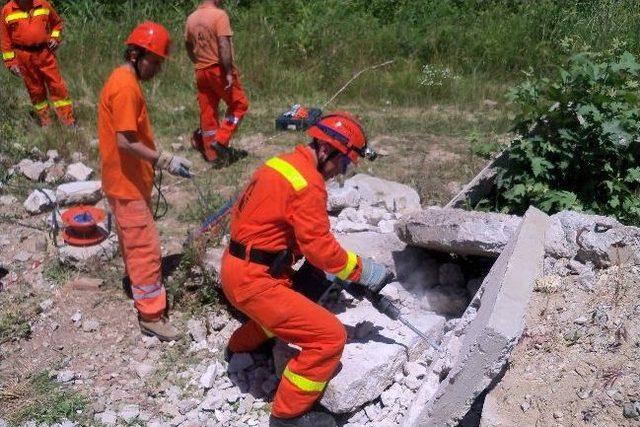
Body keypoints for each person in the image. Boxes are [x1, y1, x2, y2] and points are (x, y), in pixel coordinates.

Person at [220, 112, 393, 427]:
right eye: (343, 163)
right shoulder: (309, 184)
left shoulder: (281, 164)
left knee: (287, 311)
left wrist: (334, 272)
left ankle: (238, 348)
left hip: (237, 268)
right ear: (326, 150)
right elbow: (322, 251)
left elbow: (278, 229)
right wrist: (364, 272)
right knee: (328, 338)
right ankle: (287, 416)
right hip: (256, 281)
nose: (341, 171)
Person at [98, 21, 192, 341]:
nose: (158, 68)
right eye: (156, 61)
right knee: (145, 248)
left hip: (125, 179)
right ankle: (151, 314)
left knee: (132, 240)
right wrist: (164, 159)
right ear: (137, 54)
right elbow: (125, 142)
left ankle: (135, 284)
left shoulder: (124, 79)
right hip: (126, 182)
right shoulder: (125, 86)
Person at [185, 0, 249, 164]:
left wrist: (197, 60)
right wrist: (228, 71)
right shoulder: (219, 16)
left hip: (201, 70)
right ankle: (221, 141)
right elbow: (223, 44)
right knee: (239, 104)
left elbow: (188, 45)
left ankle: (212, 155)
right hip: (218, 69)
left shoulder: (191, 18)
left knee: (208, 111)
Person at [0, 0, 75, 126]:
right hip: (24, 58)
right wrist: (10, 62)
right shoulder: (7, 10)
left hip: (45, 54)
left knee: (57, 86)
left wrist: (55, 38)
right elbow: (5, 40)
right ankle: (46, 122)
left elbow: (57, 23)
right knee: (36, 91)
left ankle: (68, 121)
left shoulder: (43, 4)